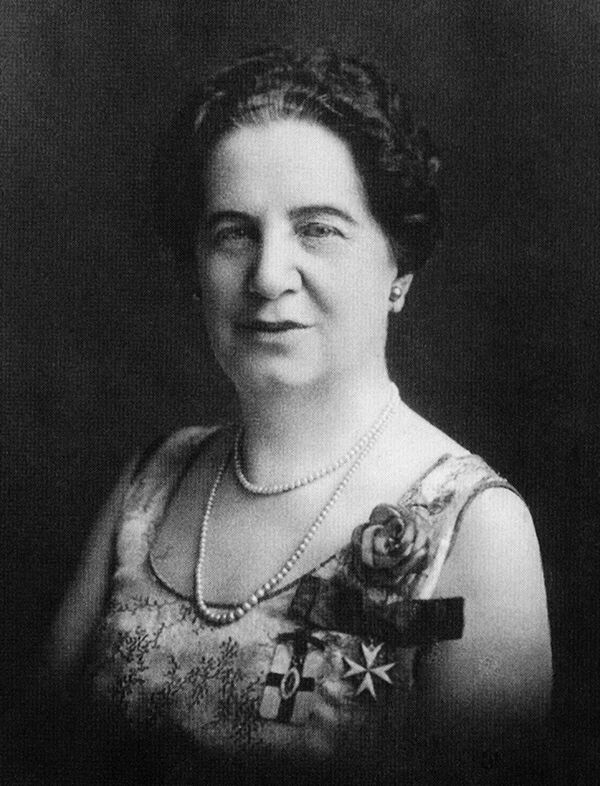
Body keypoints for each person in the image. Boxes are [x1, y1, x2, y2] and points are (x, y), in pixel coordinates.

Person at [46, 49, 552, 783]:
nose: (267, 276)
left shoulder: (476, 529)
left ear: (399, 267)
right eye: (233, 232)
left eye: (317, 229)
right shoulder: (149, 484)